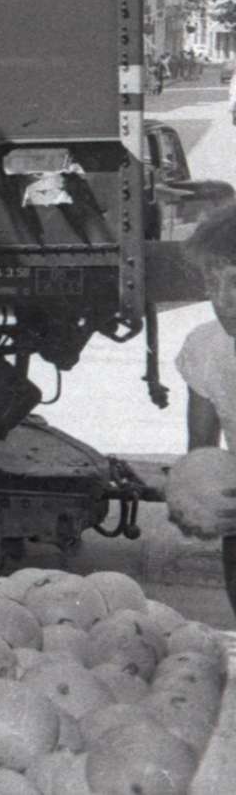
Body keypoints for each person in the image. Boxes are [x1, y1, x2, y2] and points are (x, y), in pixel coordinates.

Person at [174, 204, 236, 614]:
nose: (222, 300)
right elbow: (201, 453)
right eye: (212, 282)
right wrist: (194, 501)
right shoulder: (206, 348)